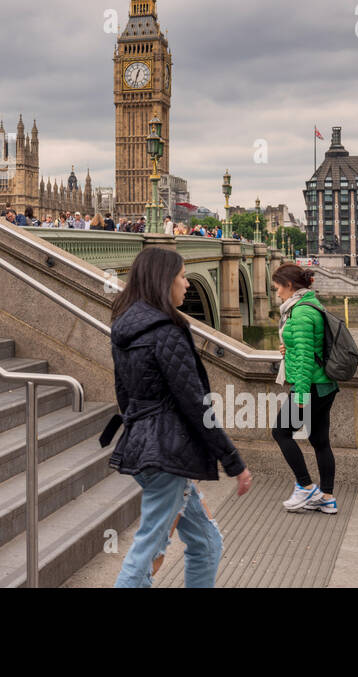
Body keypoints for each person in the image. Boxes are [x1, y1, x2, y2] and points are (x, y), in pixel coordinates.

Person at [108, 246, 251, 587]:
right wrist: (233, 461)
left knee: (206, 542)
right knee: (148, 549)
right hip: (166, 455)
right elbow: (195, 403)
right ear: (164, 280)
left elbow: (124, 396)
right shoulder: (167, 331)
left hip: (147, 449)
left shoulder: (123, 328)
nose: (187, 284)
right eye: (183, 276)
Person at [270, 264, 338, 513]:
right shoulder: (312, 304)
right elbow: (308, 347)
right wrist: (287, 349)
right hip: (325, 386)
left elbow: (306, 359)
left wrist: (300, 394)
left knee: (280, 432)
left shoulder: (299, 314)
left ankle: (306, 486)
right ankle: (327, 498)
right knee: (320, 440)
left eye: (278, 287)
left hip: (309, 386)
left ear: (289, 285)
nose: (277, 293)